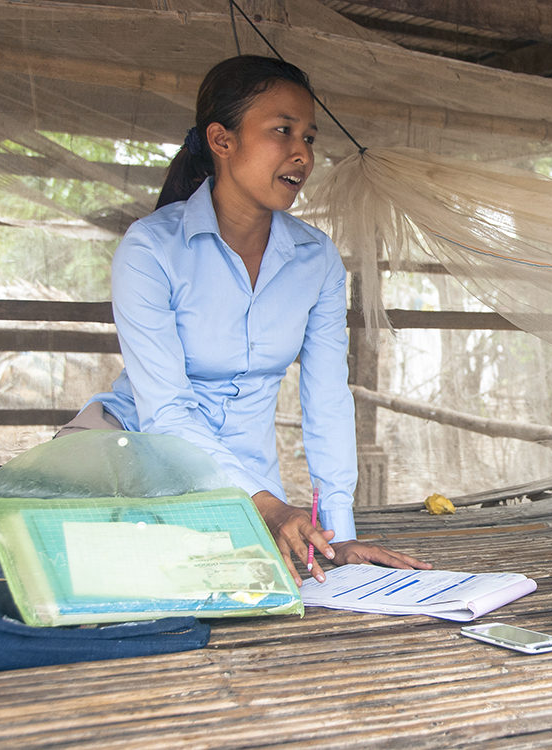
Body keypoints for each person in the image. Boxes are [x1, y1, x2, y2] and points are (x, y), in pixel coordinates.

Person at [61, 55, 429, 585]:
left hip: (250, 485)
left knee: (266, 593)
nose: (301, 154)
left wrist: (337, 530)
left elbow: (326, 396)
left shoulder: (317, 258)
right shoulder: (151, 249)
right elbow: (166, 411)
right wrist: (266, 506)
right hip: (129, 458)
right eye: (283, 131)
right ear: (222, 140)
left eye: (309, 137)